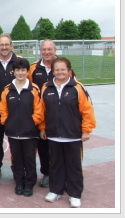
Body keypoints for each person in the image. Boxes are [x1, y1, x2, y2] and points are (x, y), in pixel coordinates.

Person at [40, 57, 96, 208]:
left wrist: (86, 130)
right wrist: (43, 128)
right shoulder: (46, 88)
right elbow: (42, 110)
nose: (60, 72)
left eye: (63, 69)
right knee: (55, 164)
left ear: (69, 71)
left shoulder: (77, 88)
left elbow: (87, 110)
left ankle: (75, 194)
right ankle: (55, 190)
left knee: (74, 165)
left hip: (73, 135)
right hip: (53, 135)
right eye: (57, 69)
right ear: (52, 71)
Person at [28, 39, 76, 188]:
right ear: (40, 51)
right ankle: (47, 173)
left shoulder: (64, 67)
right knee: (43, 147)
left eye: (50, 49)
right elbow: (29, 90)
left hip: (63, 118)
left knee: (64, 149)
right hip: (43, 117)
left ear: (55, 50)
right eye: (44, 49)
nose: (47, 52)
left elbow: (75, 91)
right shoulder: (33, 68)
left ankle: (68, 176)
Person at [0, 57, 44, 197]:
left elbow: (39, 110)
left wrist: (32, 122)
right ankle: (19, 182)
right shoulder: (7, 90)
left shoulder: (34, 89)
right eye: (17, 70)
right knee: (16, 158)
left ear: (27, 71)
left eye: (23, 70)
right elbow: (3, 110)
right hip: (13, 132)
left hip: (30, 133)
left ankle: (29, 184)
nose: (20, 72)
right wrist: (7, 122)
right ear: (13, 72)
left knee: (29, 159)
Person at [0, 33, 22, 184]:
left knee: (18, 141)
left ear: (11, 45)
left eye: (7, 44)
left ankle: (19, 169)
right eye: (1, 45)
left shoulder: (20, 61)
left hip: (17, 111)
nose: (4, 47)